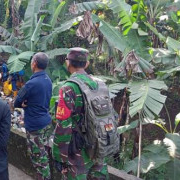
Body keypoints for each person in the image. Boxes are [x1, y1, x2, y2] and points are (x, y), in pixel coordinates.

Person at [52, 48, 109, 180]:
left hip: (78, 151)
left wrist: (59, 156)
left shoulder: (69, 87)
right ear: (87, 64)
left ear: (68, 63)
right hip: (99, 145)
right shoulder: (100, 84)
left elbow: (63, 124)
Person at [14, 52, 53, 180]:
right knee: (44, 155)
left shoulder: (31, 84)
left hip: (35, 126)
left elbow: (16, 102)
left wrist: (25, 103)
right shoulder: (48, 80)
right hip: (47, 123)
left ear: (34, 63)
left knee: (39, 159)